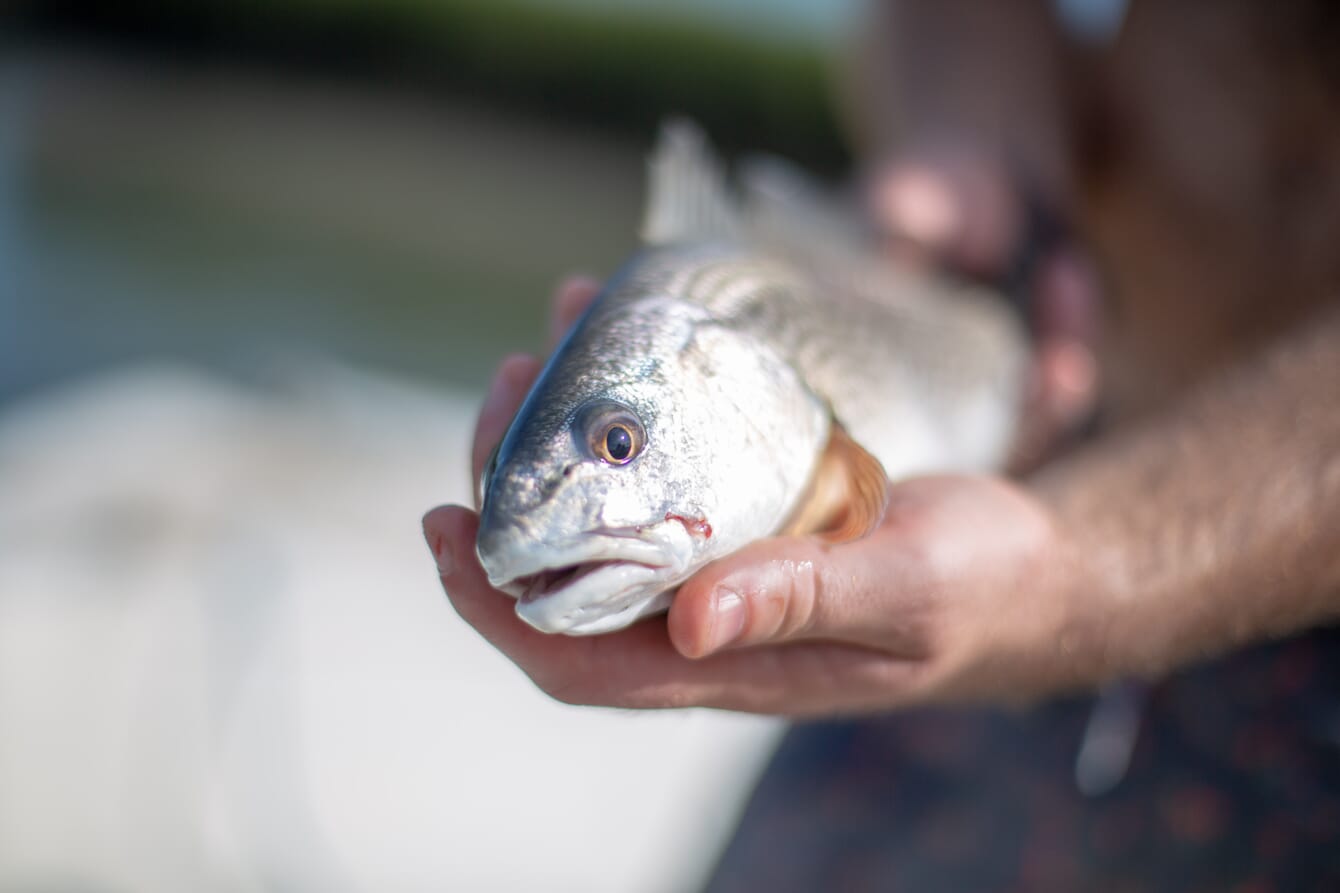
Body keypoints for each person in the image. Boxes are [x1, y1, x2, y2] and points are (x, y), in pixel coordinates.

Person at [425, 0, 1340, 885]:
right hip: (1008, 519)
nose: (595, 479)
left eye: (618, 441)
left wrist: (1077, 570)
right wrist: (985, 157)